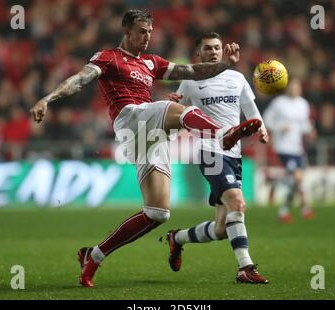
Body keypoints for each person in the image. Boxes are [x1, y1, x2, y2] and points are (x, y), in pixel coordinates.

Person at [29, 10, 262, 288]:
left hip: (149, 134)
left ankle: (94, 255)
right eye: (141, 31)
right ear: (126, 31)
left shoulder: (152, 62)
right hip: (129, 119)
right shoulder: (108, 57)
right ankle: (223, 134)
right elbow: (79, 80)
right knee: (174, 108)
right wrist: (47, 98)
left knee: (157, 213)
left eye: (150, 32)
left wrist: (225, 64)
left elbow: (193, 70)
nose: (147, 36)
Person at [166, 32, 269, 284]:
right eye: (207, 49)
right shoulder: (190, 82)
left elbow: (250, 109)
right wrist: (170, 104)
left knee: (223, 228)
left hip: (234, 155)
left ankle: (176, 238)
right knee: (238, 204)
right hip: (210, 152)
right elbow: (177, 110)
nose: (213, 52)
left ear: (223, 51)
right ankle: (245, 268)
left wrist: (262, 127)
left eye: (217, 48)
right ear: (198, 54)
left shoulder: (237, 78)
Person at [263, 78, 316, 223]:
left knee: (296, 180)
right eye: (292, 87)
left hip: (298, 148)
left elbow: (304, 125)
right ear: (288, 88)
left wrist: (310, 131)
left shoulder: (303, 104)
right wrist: (280, 127)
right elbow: (266, 119)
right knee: (297, 177)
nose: (294, 89)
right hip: (283, 147)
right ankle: (303, 208)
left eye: (297, 87)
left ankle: (283, 206)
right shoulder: (279, 103)